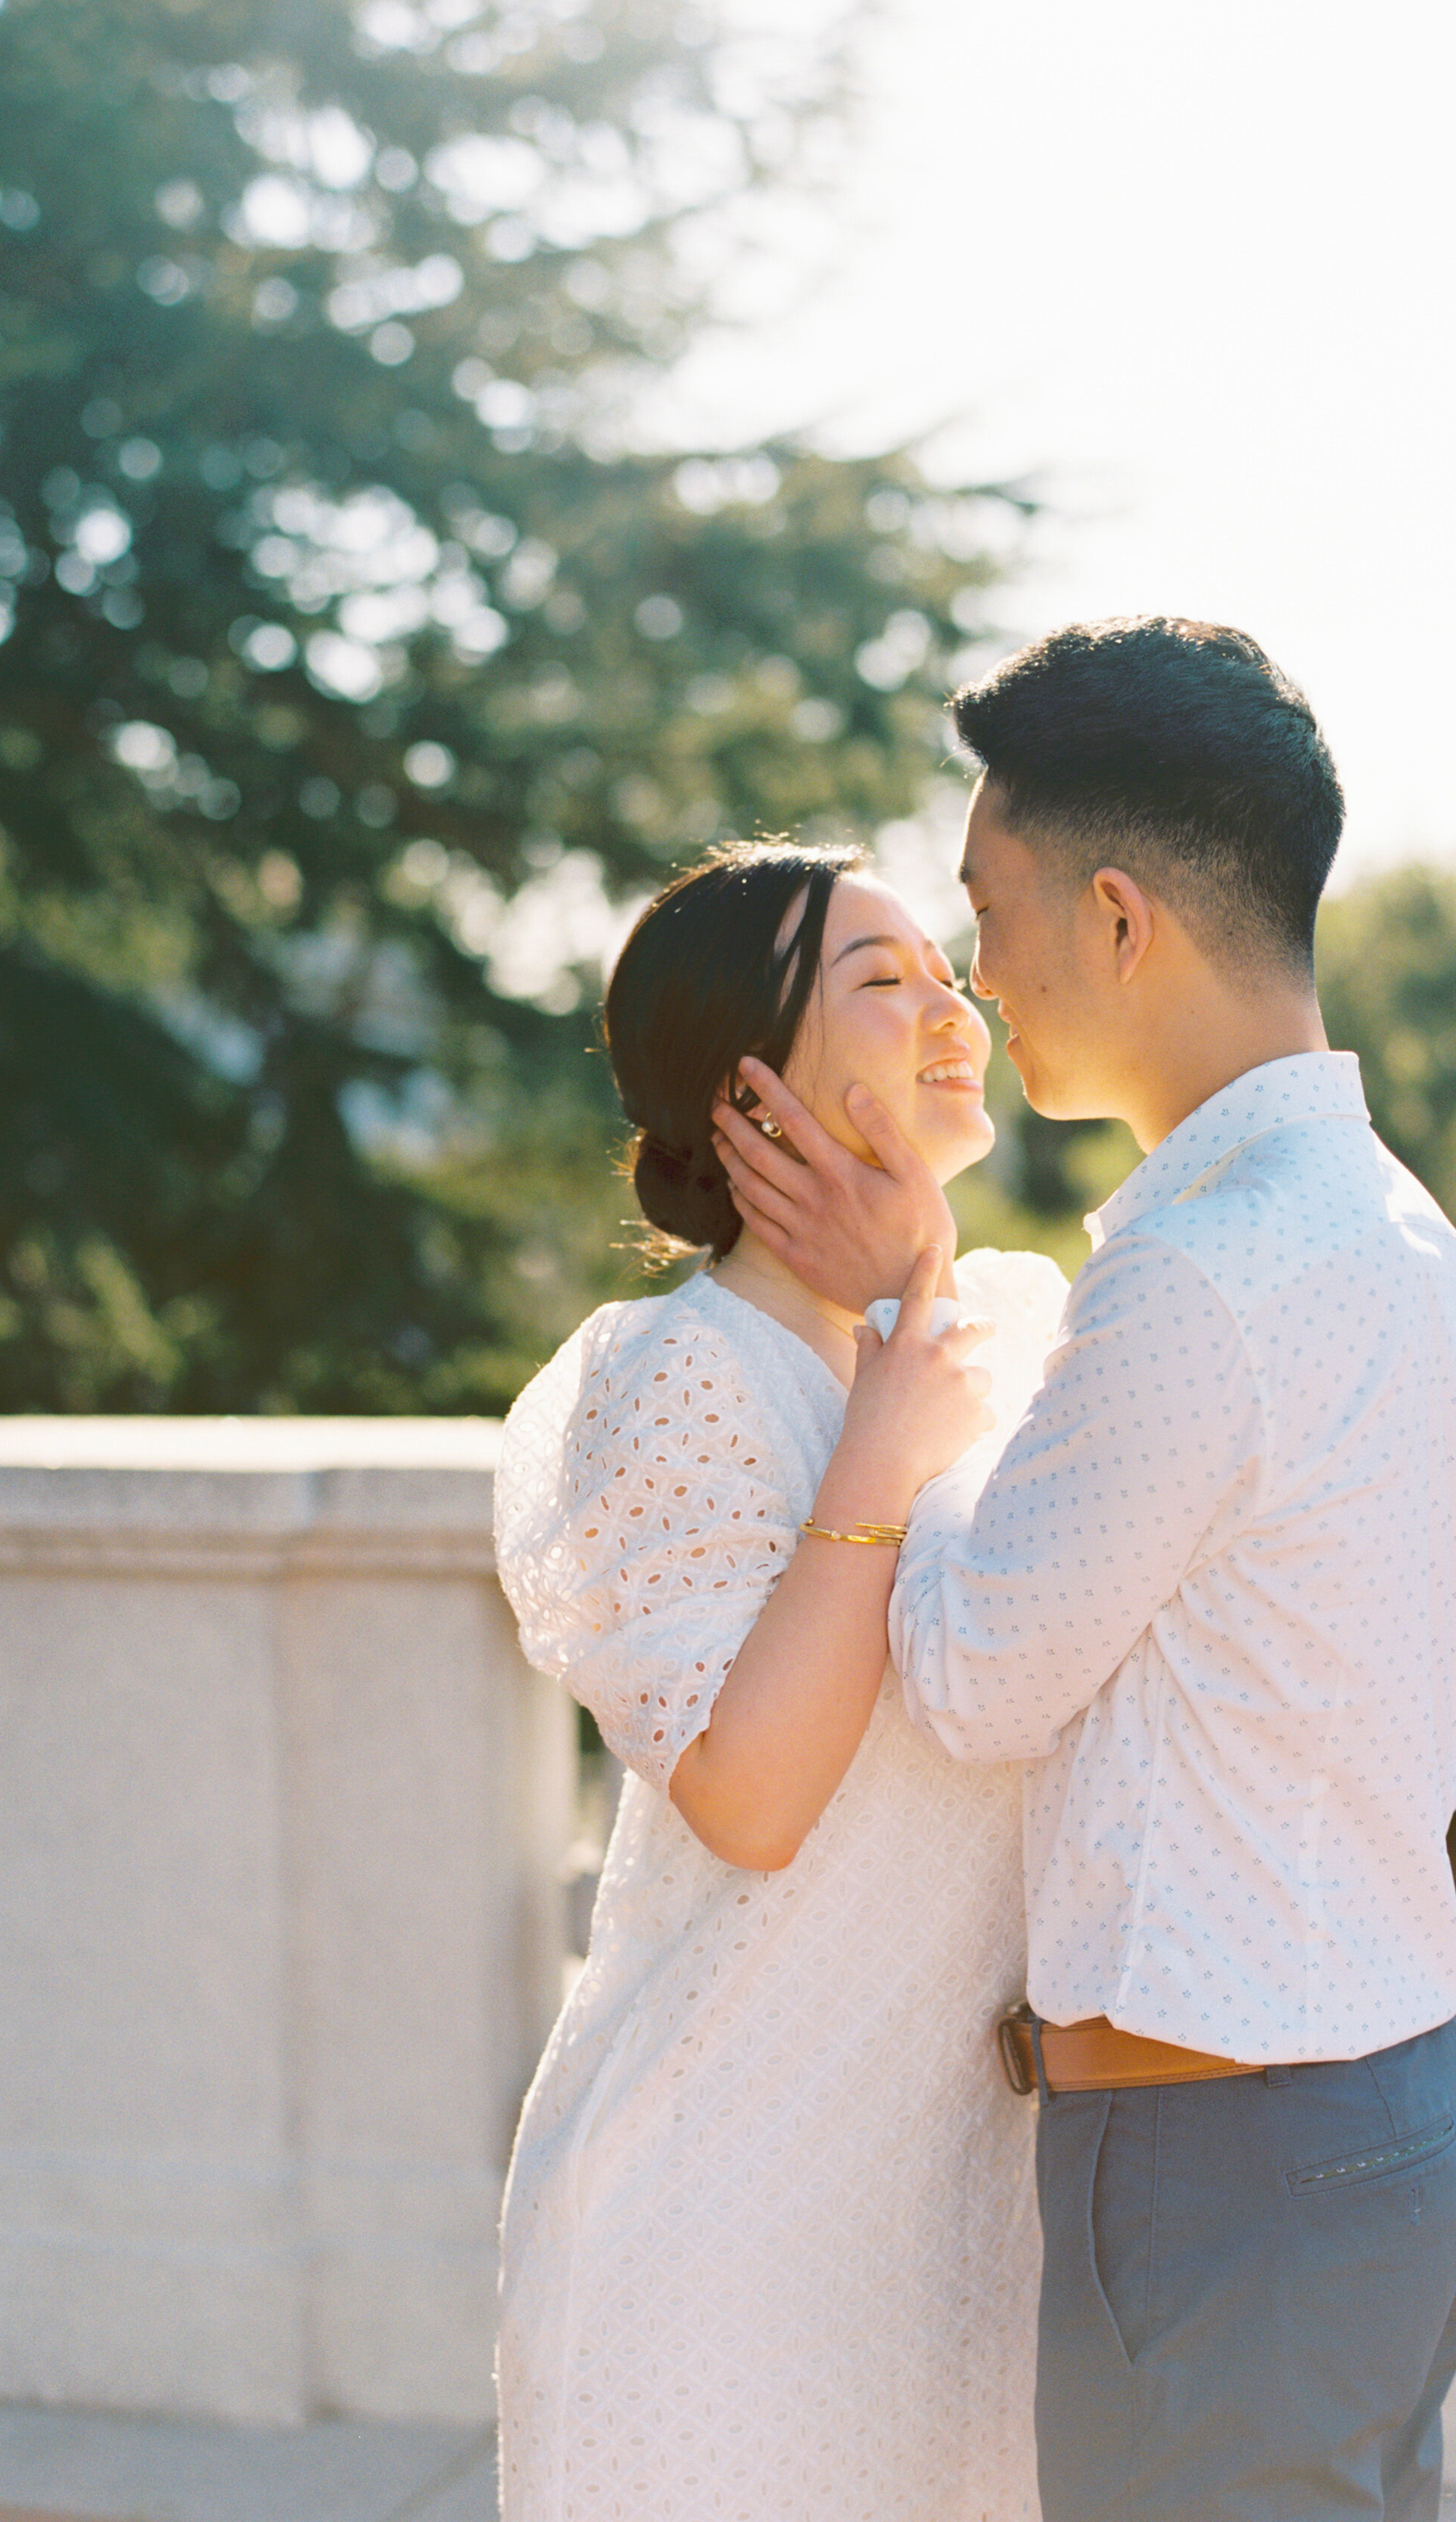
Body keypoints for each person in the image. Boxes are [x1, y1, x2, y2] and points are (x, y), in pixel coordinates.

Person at [712, 617, 1456, 2522]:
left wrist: (914, 1325)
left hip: (1230, 2160)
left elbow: (978, 1671)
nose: (976, 985)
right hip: (1391, 2100)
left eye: (990, 914)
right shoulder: (1398, 1232)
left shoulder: (1199, 1273)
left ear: (1118, 917)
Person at [492, 839, 1066, 2521]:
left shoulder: (1005, 1339)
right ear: (747, 1092)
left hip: (956, 2209)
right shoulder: (672, 1383)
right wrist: (883, 1434)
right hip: (719, 2222)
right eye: (883, 982)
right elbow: (748, 1800)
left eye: (948, 971)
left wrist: (914, 1306)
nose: (951, 1008)